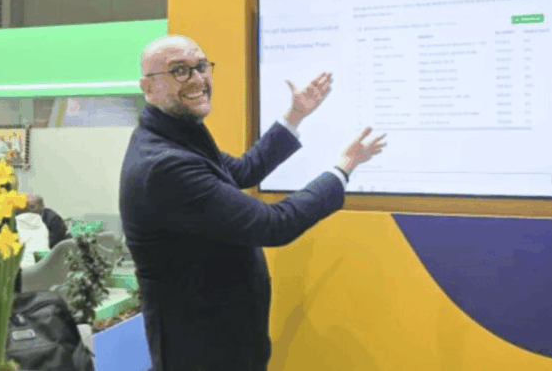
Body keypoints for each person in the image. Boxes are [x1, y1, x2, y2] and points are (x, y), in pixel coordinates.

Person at [119, 35, 386, 371]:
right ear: (149, 88)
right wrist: (343, 169)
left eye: (201, 66)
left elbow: (244, 170)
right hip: (201, 351)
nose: (198, 78)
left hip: (225, 339)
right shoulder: (165, 165)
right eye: (180, 71)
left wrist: (295, 115)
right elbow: (274, 224)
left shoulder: (177, 136)